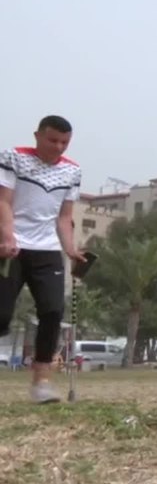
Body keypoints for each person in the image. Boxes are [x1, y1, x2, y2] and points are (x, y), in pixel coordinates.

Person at [0, 115, 86, 403]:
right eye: (53, 140)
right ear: (38, 136)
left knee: (52, 312)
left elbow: (63, 217)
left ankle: (42, 383)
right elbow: (3, 201)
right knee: (1, 316)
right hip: (11, 245)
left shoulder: (72, 172)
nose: (58, 147)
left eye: (64, 142)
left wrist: (71, 250)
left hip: (47, 249)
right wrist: (8, 237)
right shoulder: (14, 158)